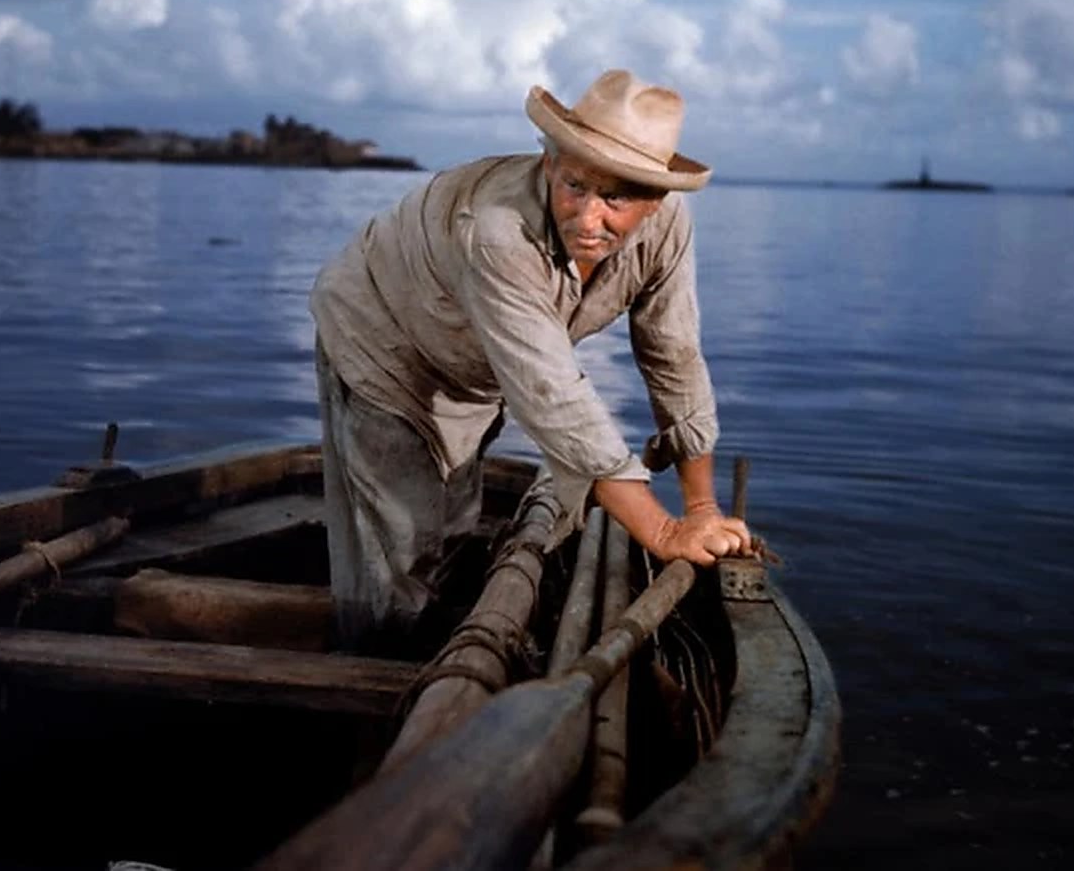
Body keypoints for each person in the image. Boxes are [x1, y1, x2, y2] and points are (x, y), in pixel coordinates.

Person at [310, 68, 755, 653]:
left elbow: (674, 354)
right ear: (548, 164)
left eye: (615, 198)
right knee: (399, 544)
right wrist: (665, 531)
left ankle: (431, 643)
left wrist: (702, 507)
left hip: (467, 368)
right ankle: (381, 679)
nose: (587, 217)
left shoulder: (668, 230)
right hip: (380, 341)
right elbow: (554, 398)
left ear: (656, 201)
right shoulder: (496, 232)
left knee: (452, 526)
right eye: (574, 185)